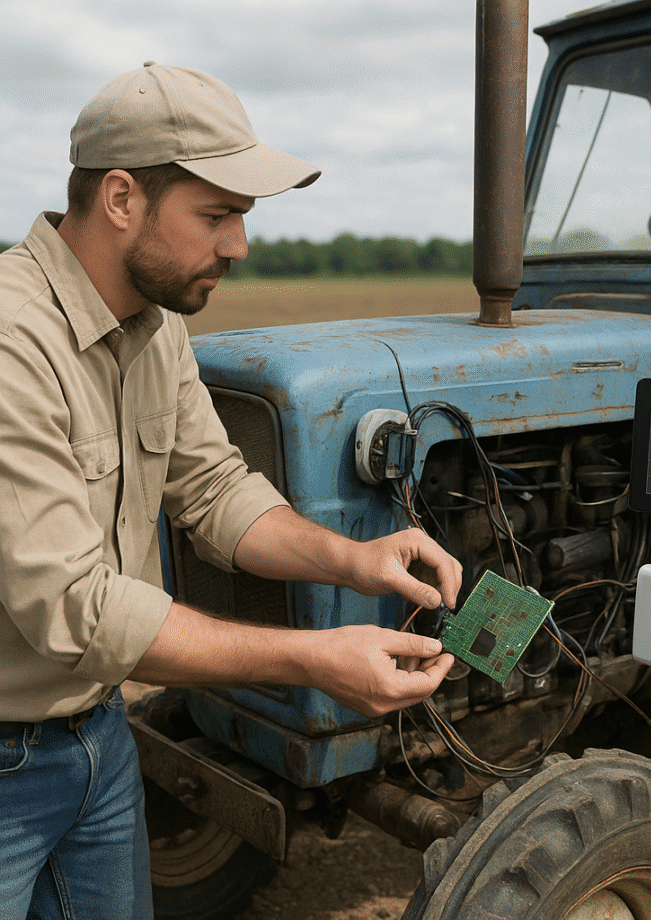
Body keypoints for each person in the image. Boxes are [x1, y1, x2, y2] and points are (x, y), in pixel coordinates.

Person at [0, 63, 461, 920]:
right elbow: (76, 608)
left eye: (241, 217)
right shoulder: (11, 340)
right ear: (121, 197)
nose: (240, 246)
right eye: (217, 215)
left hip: (99, 736)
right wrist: (314, 660)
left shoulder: (157, 323)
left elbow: (213, 491)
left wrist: (356, 560)